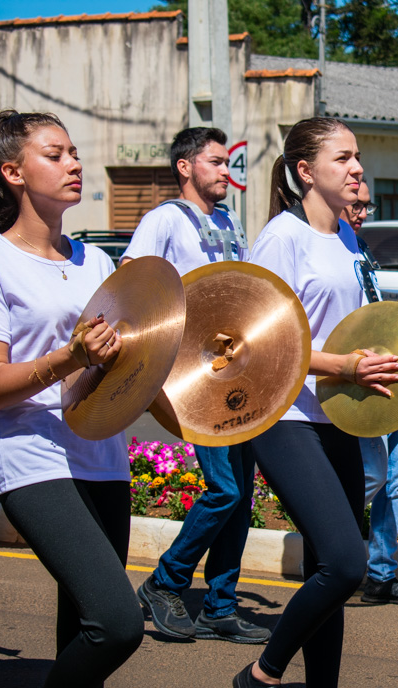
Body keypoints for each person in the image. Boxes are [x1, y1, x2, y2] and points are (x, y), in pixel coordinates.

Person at [0, 110, 142, 688]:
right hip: (33, 459)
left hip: (103, 459)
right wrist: (70, 356)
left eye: (74, 153)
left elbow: (117, 368)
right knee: (116, 624)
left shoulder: (97, 263)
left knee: (82, 631)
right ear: (13, 172)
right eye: (55, 154)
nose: (74, 163)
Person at [232, 117, 398, 688]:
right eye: (343, 158)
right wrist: (346, 367)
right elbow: (255, 340)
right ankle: (261, 674)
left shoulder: (350, 239)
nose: (357, 167)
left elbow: (352, 329)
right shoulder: (283, 237)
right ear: (305, 172)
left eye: (358, 156)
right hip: (283, 416)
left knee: (324, 570)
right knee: (345, 563)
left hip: (337, 418)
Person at [122, 127, 270, 645]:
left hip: (236, 368)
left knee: (242, 493)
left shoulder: (230, 221)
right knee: (224, 488)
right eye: (214, 162)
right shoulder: (163, 219)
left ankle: (220, 605)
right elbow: (133, 280)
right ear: (185, 167)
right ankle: (165, 583)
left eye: (227, 162)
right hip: (191, 371)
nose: (226, 171)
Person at [343, 180, 398, 606]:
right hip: (356, 381)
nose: (361, 213)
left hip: (389, 374)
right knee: (372, 475)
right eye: (355, 205)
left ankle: (381, 574)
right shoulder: (327, 248)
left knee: (396, 476)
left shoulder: (360, 248)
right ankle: (327, 550)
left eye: (366, 206)